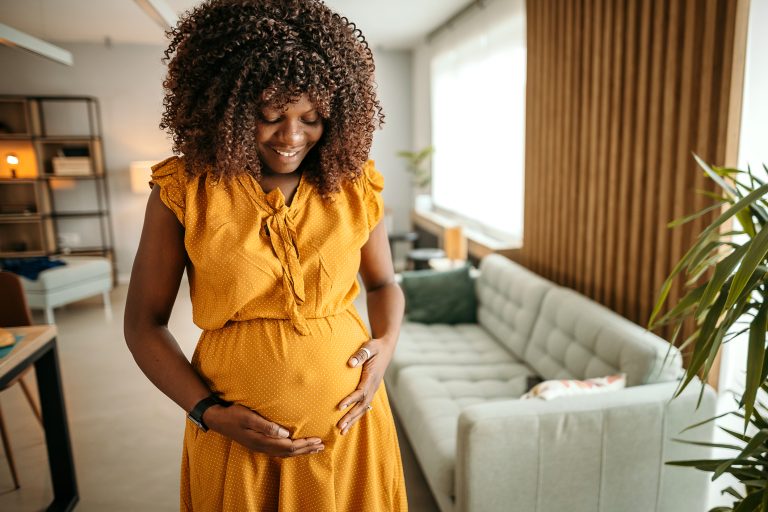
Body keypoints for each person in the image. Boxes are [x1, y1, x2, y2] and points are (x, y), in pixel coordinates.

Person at [123, 0, 408, 510]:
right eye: (271, 115)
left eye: (312, 118)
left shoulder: (354, 183)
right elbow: (143, 324)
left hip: (351, 438)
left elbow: (385, 285)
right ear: (225, 107)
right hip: (237, 446)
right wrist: (206, 411)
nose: (292, 137)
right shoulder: (186, 188)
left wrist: (384, 349)